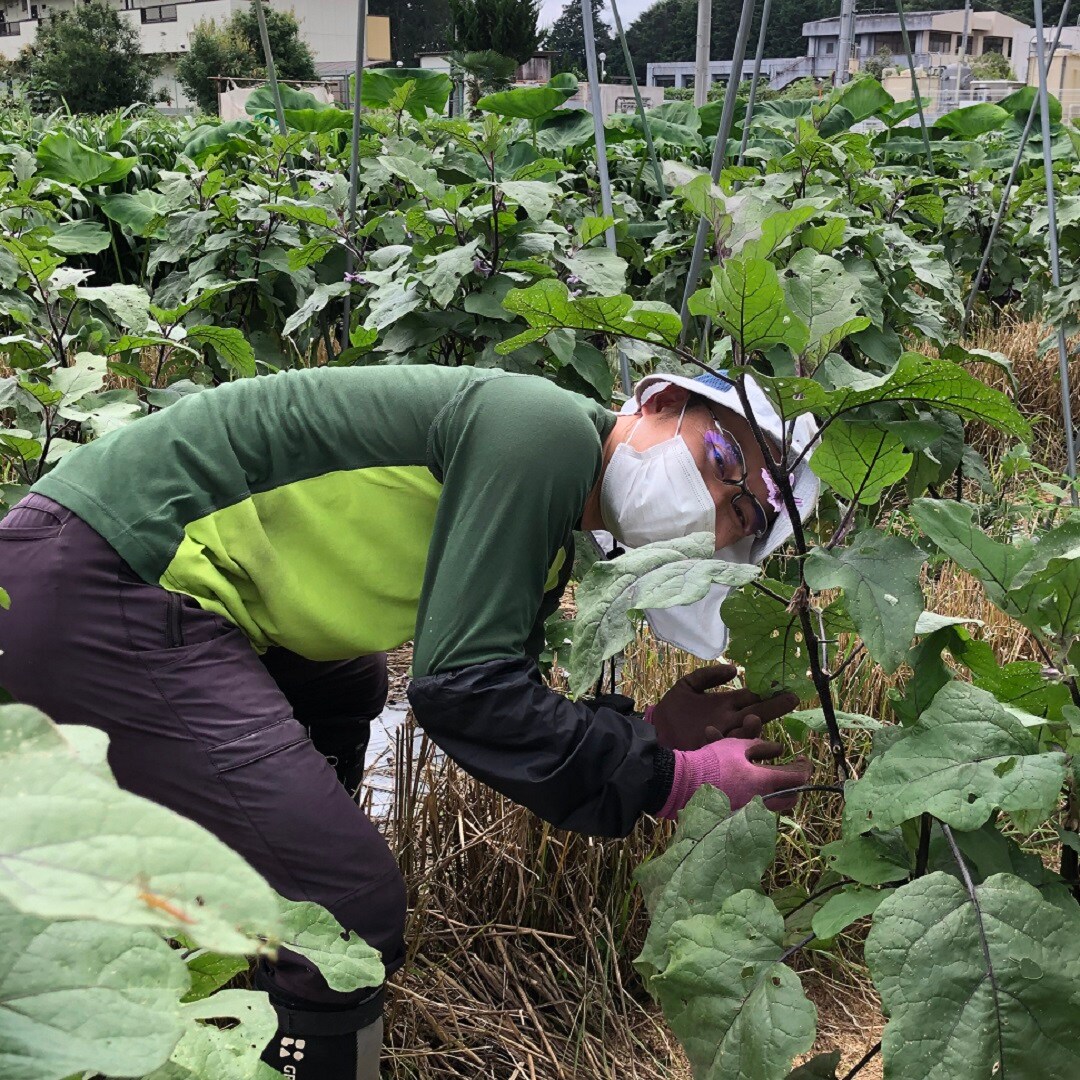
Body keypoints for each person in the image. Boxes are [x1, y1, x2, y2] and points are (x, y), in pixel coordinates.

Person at [0, 364, 816, 1079]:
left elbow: (498, 684)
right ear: (663, 404)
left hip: (121, 570)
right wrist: (673, 779)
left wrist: (651, 733)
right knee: (343, 902)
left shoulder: (555, 496)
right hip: (112, 570)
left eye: (739, 517)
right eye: (722, 459)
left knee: (344, 691)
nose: (718, 500)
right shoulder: (541, 431)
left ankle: (228, 999)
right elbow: (466, 693)